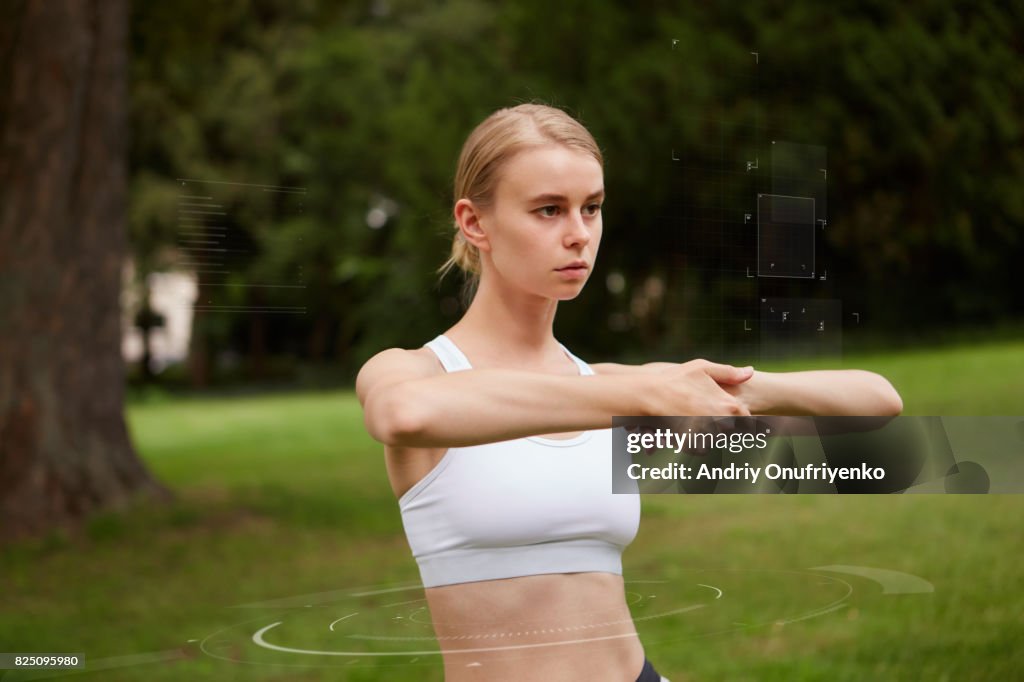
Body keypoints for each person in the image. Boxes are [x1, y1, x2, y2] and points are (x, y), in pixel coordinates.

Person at [356, 103, 902, 682]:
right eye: (548, 210)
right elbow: (401, 414)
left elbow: (876, 400)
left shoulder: (620, 386)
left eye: (592, 208)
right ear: (474, 223)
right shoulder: (416, 372)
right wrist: (639, 394)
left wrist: (670, 390)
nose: (578, 235)